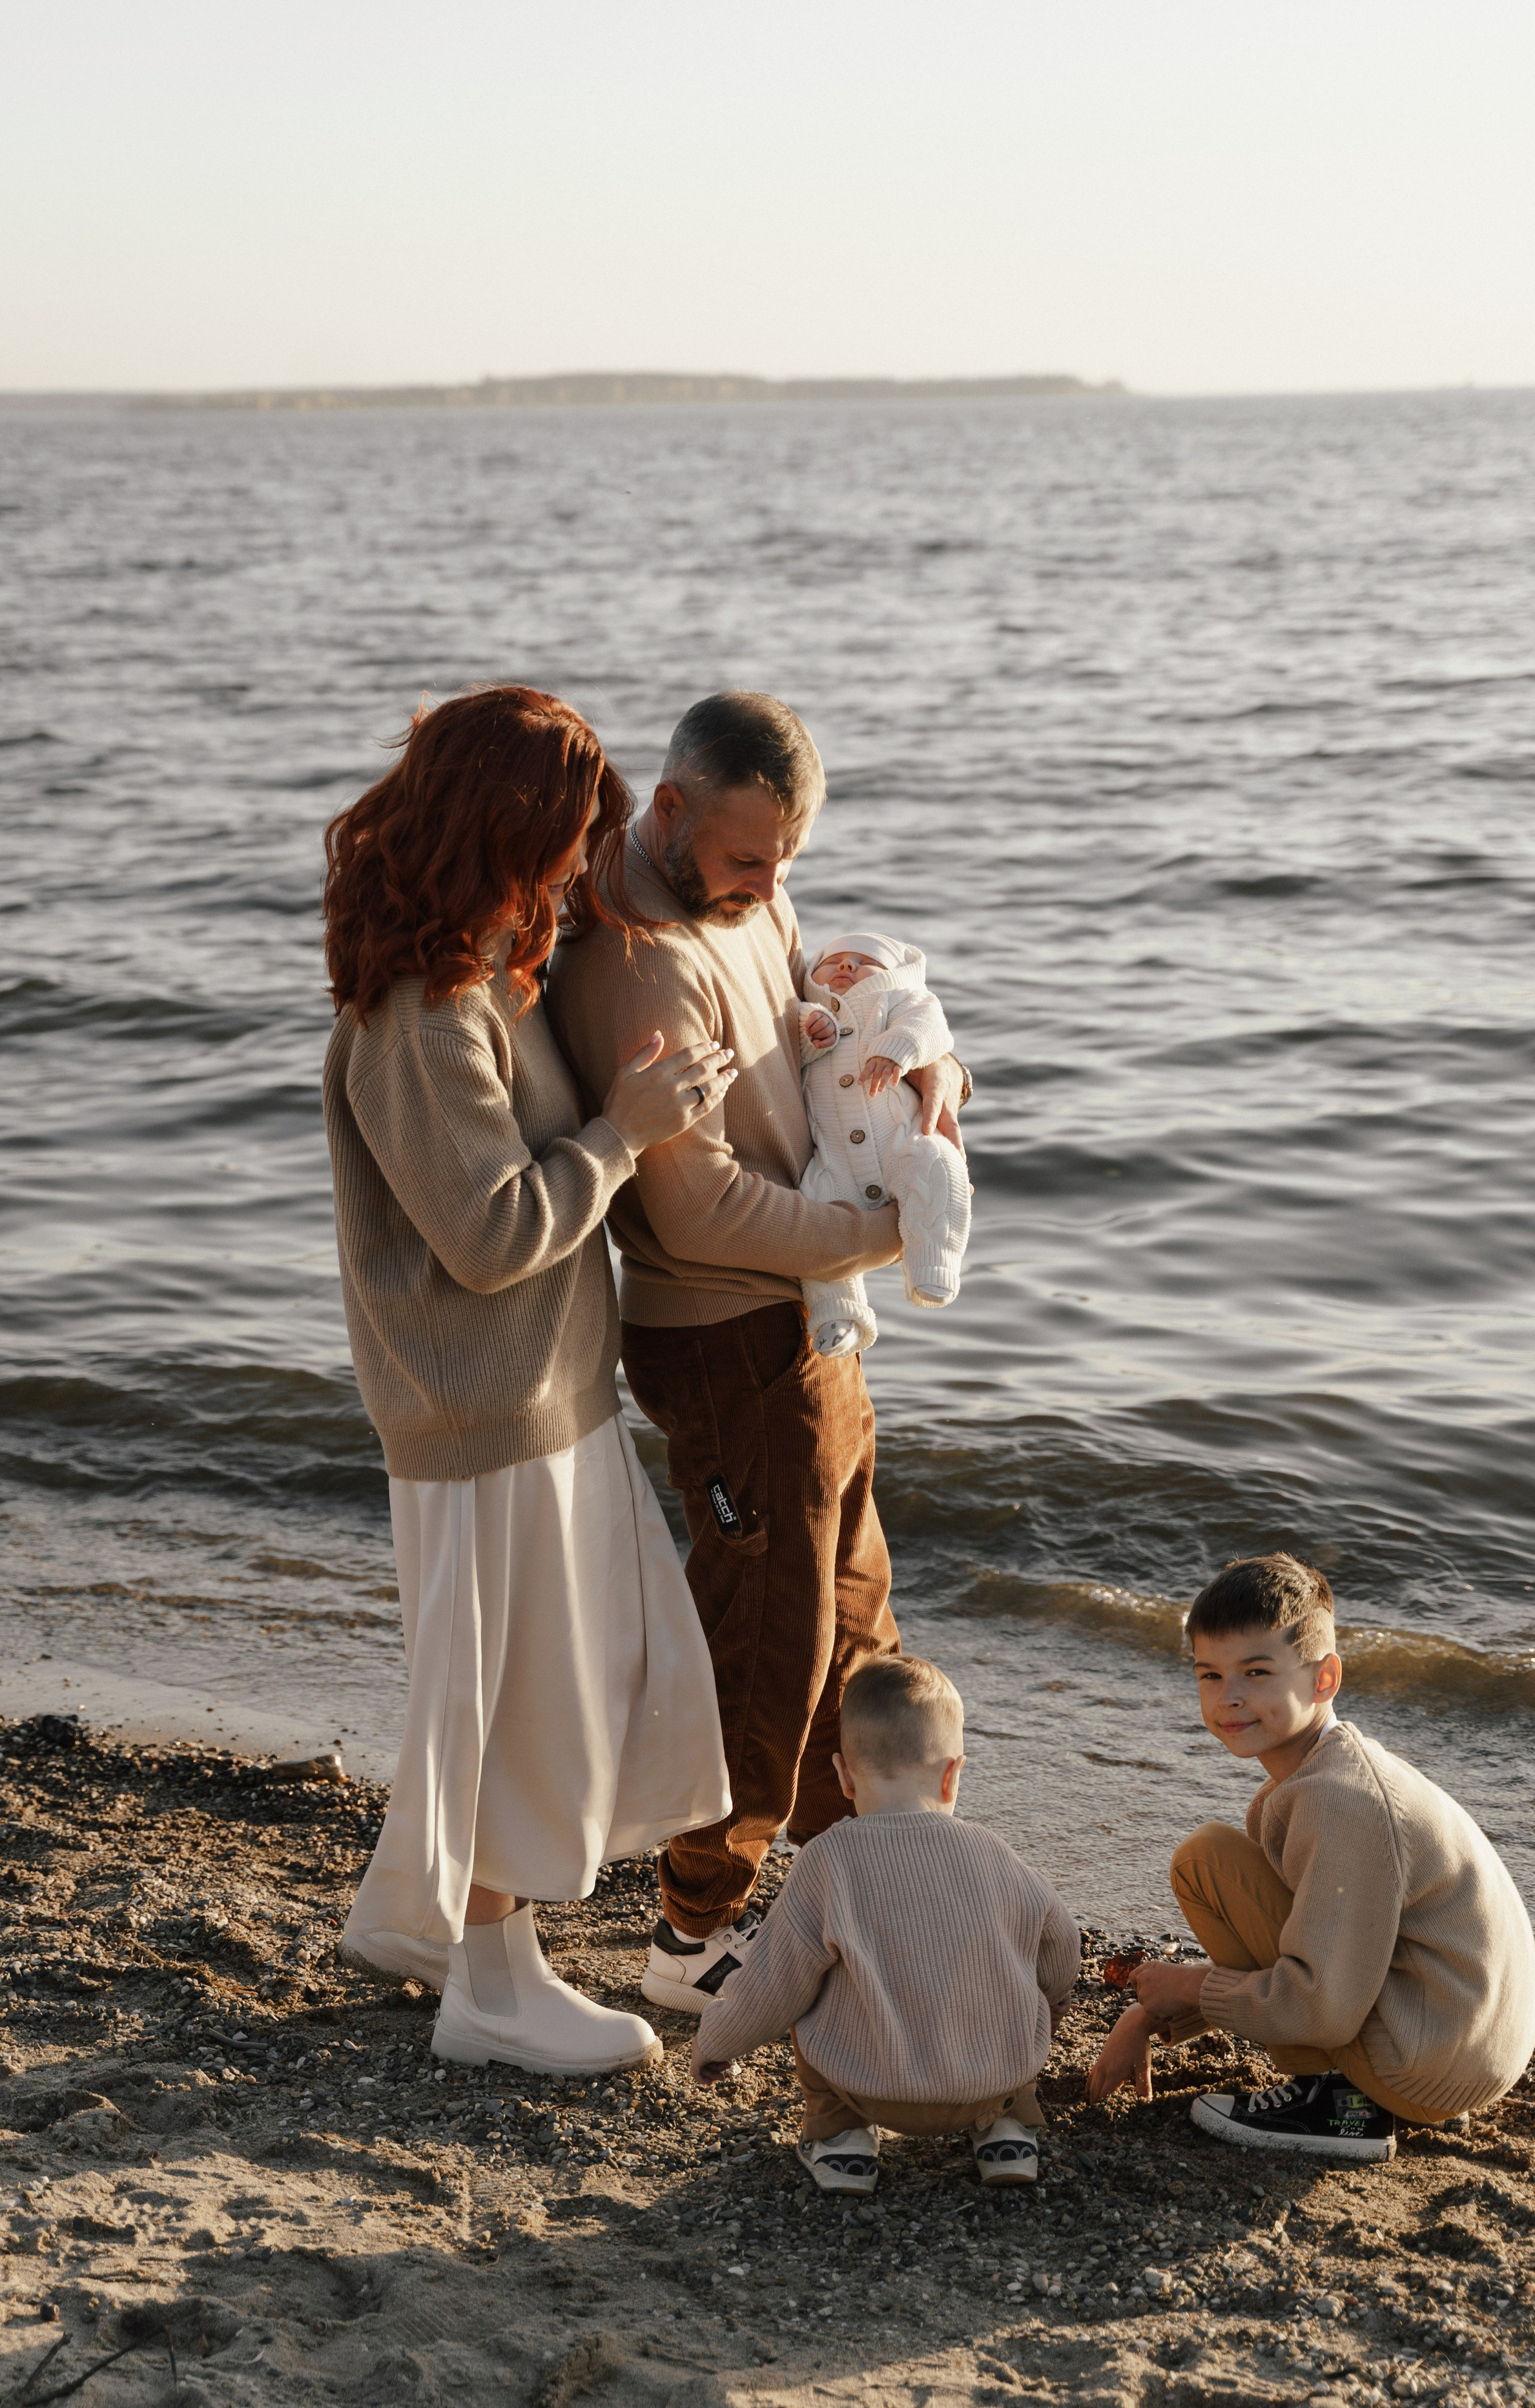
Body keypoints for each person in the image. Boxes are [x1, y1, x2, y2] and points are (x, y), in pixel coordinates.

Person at [321, 683, 734, 2077]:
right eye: (563, 838)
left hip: (535, 1395)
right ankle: (492, 1987)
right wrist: (621, 1135)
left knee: (527, 1681)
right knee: (523, 1699)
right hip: (483, 1409)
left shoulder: (491, 969)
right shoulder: (424, 1017)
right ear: (499, 829)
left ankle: (425, 1928)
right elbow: (490, 1235)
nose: (576, 865)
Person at [548, 691, 971, 2012]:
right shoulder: (633, 960)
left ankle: (873, 1884)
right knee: (765, 1650)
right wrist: (880, 1230)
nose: (771, 884)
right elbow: (697, 1206)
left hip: (809, 1320)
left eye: (786, 857)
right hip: (724, 1339)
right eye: (746, 857)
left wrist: (918, 1074)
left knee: (855, 1624)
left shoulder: (748, 895)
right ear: (666, 809)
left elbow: (807, 1045)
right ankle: (689, 1935)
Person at [1087, 1553, 1535, 2161]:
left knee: (1205, 1861)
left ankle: (1342, 2105)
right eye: (1209, 1675)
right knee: (1214, 1857)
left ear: (1324, 1679)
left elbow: (1320, 2005)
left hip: (1425, 2062)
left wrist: (1189, 1985)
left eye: (1257, 1671)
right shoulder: (1311, 1781)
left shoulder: (1339, 1800)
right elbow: (1316, 1949)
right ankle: (1346, 2089)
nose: (1230, 1698)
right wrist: (1155, 2016)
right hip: (1457, 2043)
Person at [690, 1655, 1080, 2193]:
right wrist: (1054, 1999)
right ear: (953, 1775)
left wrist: (716, 2041)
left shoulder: (828, 1861)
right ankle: (1009, 2135)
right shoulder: (996, 1853)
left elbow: (771, 1986)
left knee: (811, 1983)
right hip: (995, 2082)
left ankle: (841, 2140)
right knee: (1013, 1980)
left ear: (844, 1777)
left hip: (869, 2088)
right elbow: (1062, 1941)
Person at [795, 931, 973, 1357]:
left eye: (863, 961)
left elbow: (929, 1028)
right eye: (833, 960)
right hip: (833, 1162)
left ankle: (932, 1263)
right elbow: (784, 1042)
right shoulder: (806, 1009)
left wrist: (898, 1050)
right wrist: (808, 1031)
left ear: (893, 973)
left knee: (939, 1164)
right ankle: (838, 1312)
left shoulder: (902, 999)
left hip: (898, 1140)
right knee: (813, 1217)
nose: (846, 966)